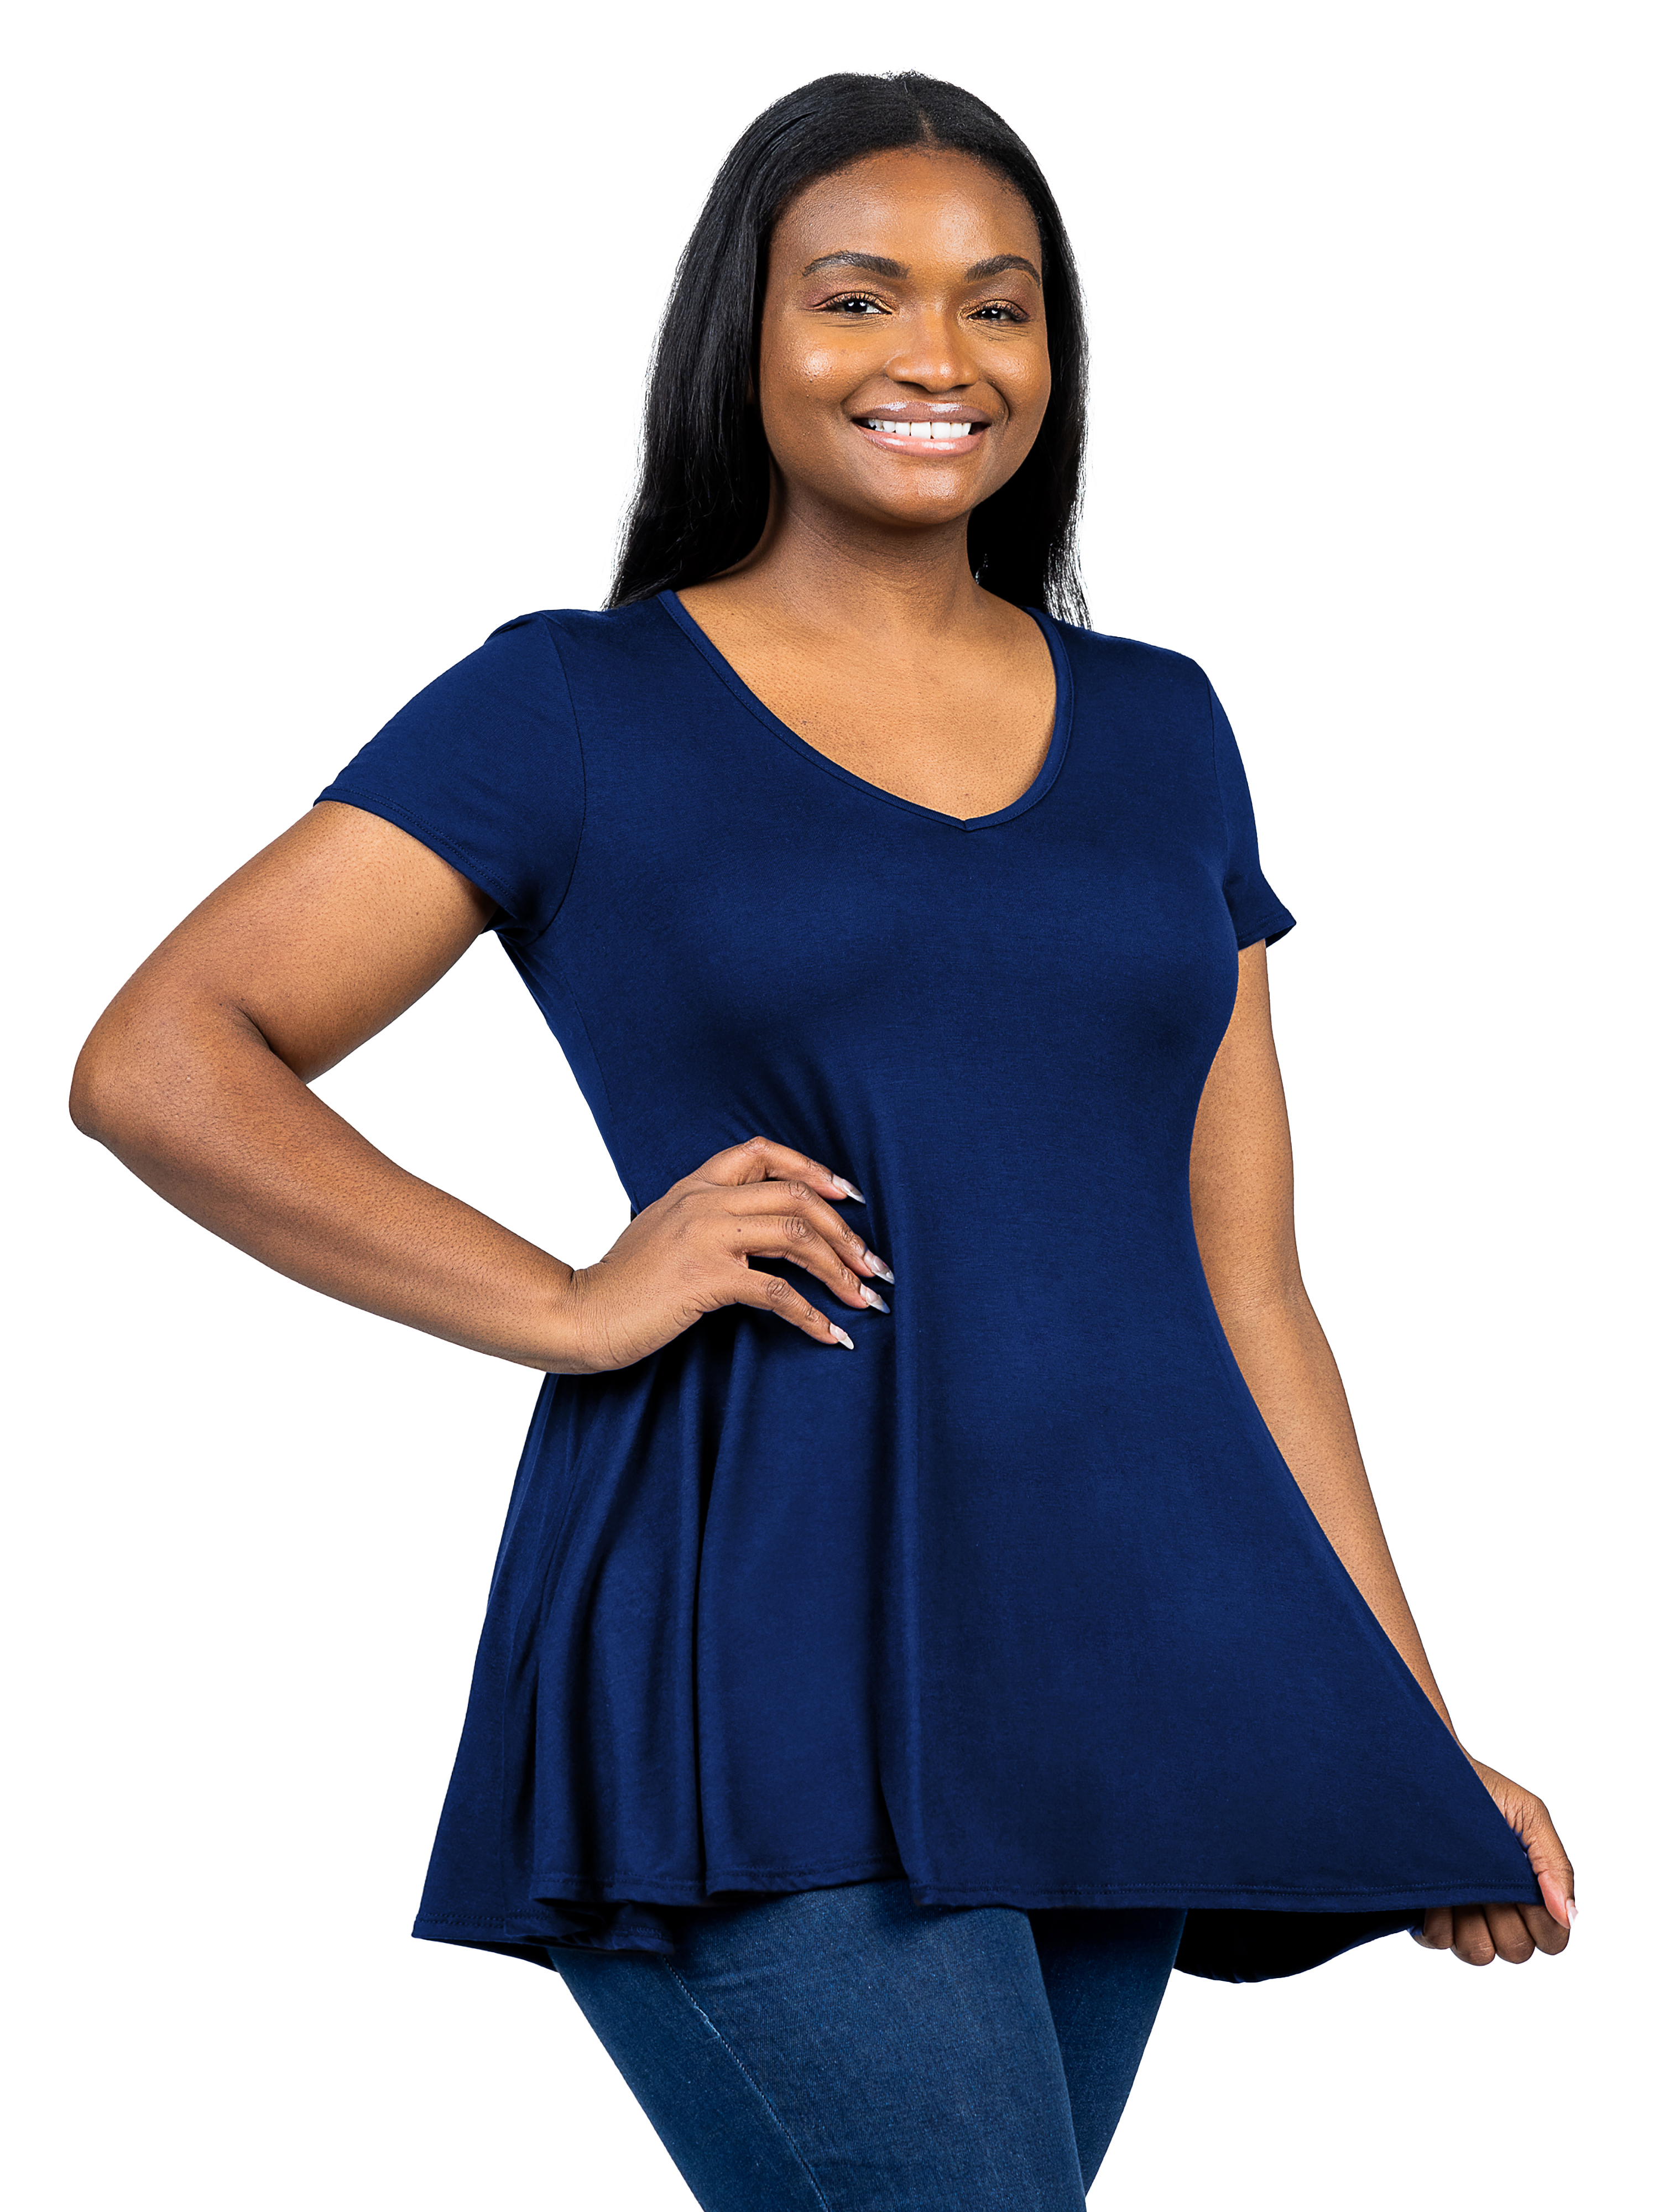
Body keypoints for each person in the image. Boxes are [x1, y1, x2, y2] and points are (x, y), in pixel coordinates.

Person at [70, 71, 1573, 2212]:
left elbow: (1245, 1286)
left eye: (998, 304)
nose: (935, 357)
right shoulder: (571, 703)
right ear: (745, 337)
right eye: (857, 296)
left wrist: (1405, 1722)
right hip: (756, 1639)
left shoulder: (1166, 726)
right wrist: (564, 1301)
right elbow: (164, 1056)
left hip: (1110, 1651)